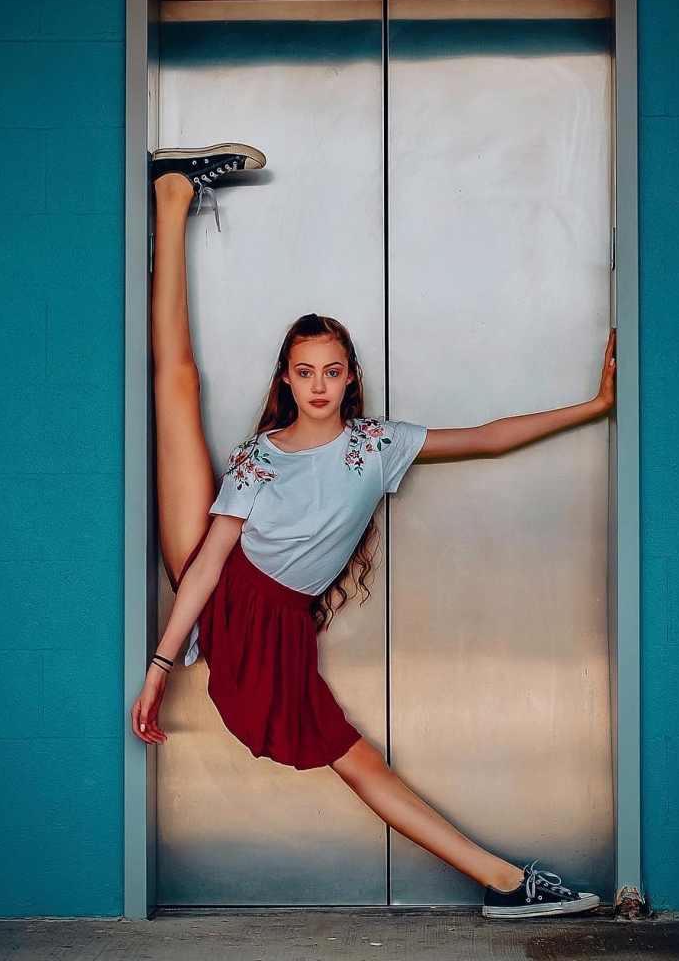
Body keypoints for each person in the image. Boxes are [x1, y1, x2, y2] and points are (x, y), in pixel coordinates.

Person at [130, 143, 617, 920]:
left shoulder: (375, 444)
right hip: (220, 582)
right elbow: (212, 556)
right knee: (177, 383)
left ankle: (502, 883)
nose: (318, 384)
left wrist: (590, 407)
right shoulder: (260, 455)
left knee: (357, 763)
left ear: (349, 374)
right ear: (285, 379)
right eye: (303, 371)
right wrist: (161, 664)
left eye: (331, 370)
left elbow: (487, 436)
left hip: (274, 623)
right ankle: (172, 196)